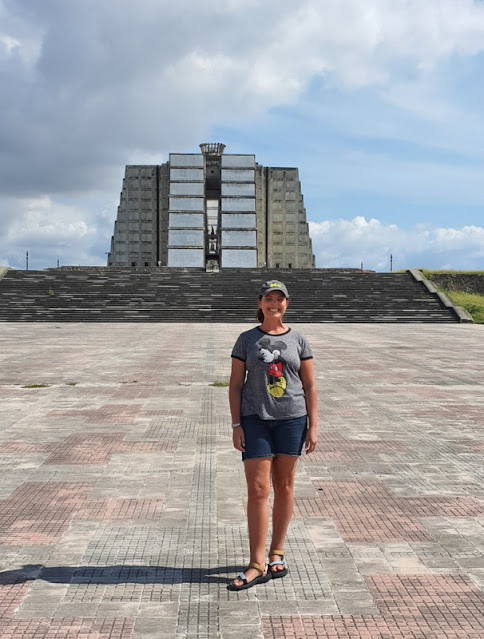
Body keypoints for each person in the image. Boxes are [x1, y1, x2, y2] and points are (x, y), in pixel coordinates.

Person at [227, 279, 318, 591]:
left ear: (286, 304)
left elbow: (309, 385)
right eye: (269, 299)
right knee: (257, 490)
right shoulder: (246, 340)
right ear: (260, 303)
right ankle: (256, 563)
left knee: (285, 485)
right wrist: (236, 424)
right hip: (255, 420)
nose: (274, 304)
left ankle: (276, 551)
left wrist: (314, 425)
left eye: (280, 299)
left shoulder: (299, 340)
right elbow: (236, 385)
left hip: (293, 419)